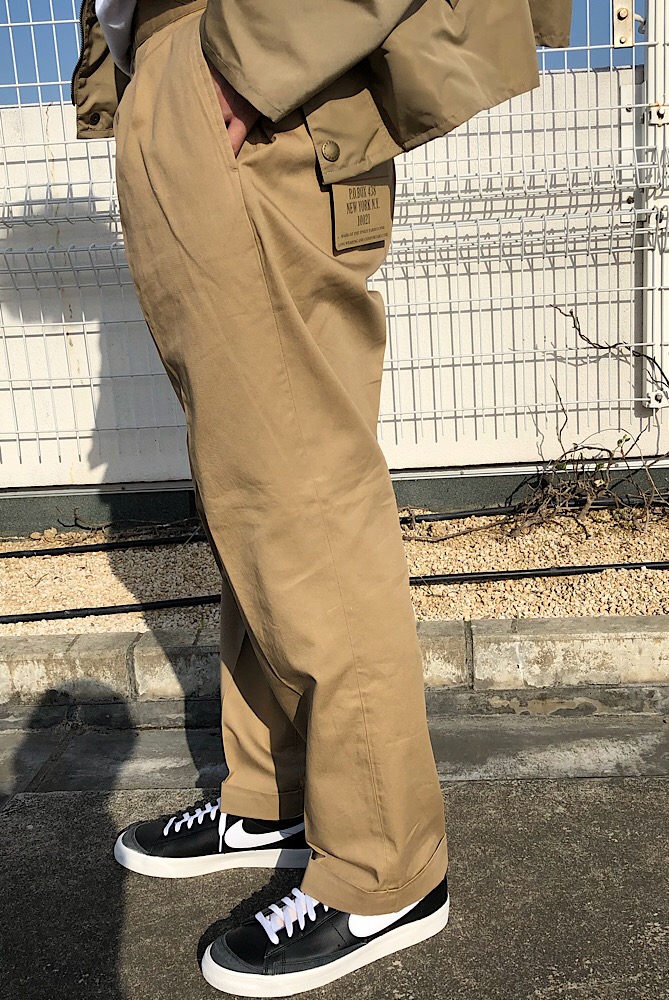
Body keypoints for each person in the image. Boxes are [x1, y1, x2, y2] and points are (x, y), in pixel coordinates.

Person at [71, 0, 573, 994]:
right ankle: (272, 796)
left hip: (242, 60)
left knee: (302, 494)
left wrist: (246, 58)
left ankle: (383, 867)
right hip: (195, 69)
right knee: (255, 485)